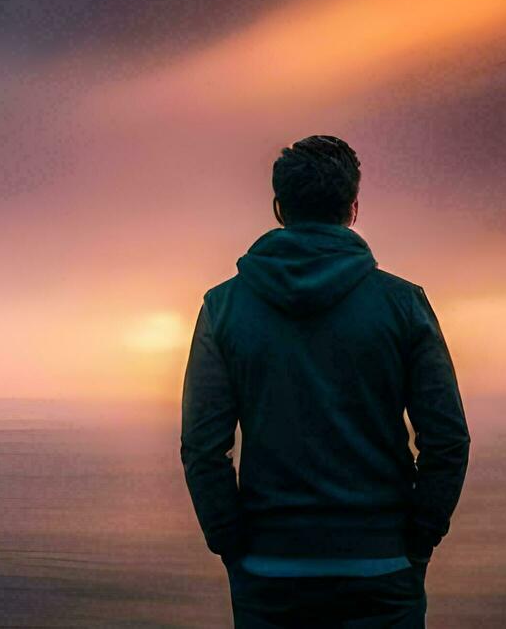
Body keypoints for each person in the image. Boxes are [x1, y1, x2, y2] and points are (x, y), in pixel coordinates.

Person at [181, 135, 470, 627]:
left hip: (269, 572)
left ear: (279, 209)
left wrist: (232, 546)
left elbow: (203, 446)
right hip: (382, 568)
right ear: (353, 208)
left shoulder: (223, 308)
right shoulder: (404, 305)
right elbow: (446, 440)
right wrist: (417, 542)